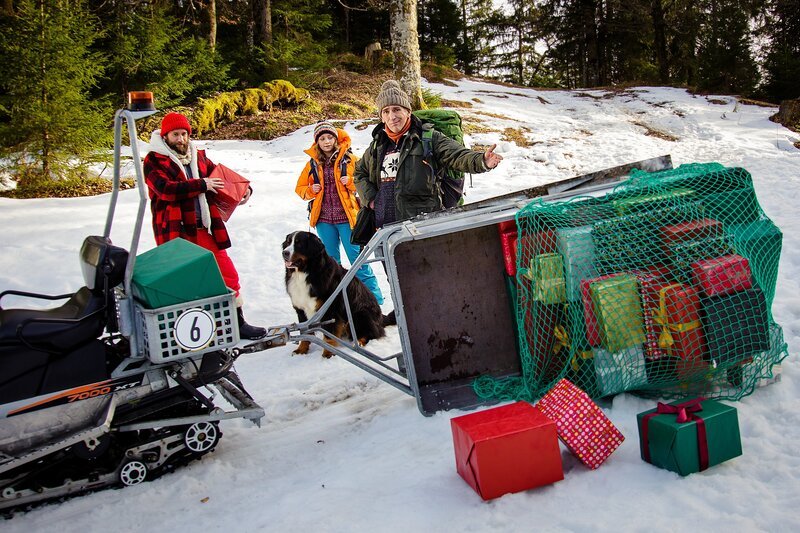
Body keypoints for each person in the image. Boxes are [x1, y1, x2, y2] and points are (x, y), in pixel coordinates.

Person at [143, 112, 267, 340]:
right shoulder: (154, 160)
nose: (180, 139)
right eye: (175, 134)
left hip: (205, 228)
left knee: (227, 276)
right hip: (177, 233)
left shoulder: (198, 157)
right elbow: (166, 189)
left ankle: (236, 322)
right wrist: (201, 184)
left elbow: (221, 178)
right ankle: (197, 333)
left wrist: (242, 190)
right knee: (189, 283)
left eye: (184, 134)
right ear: (166, 136)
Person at [354, 80, 503, 229]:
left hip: (423, 223)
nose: (392, 116)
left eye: (396, 109)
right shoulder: (377, 144)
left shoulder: (428, 137)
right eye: (386, 111)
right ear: (381, 117)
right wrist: (372, 199)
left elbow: (456, 154)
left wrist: (482, 160)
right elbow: (360, 172)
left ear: (408, 111)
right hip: (386, 225)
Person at [295, 121, 384, 304]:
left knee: (358, 261)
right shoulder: (312, 163)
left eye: (330, 137)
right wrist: (312, 189)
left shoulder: (351, 160)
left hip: (348, 219)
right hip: (324, 220)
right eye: (322, 138)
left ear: (336, 139)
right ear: (317, 142)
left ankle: (375, 301)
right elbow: (300, 189)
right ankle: (335, 302)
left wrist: (350, 182)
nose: (326, 142)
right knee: (329, 264)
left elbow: (366, 183)